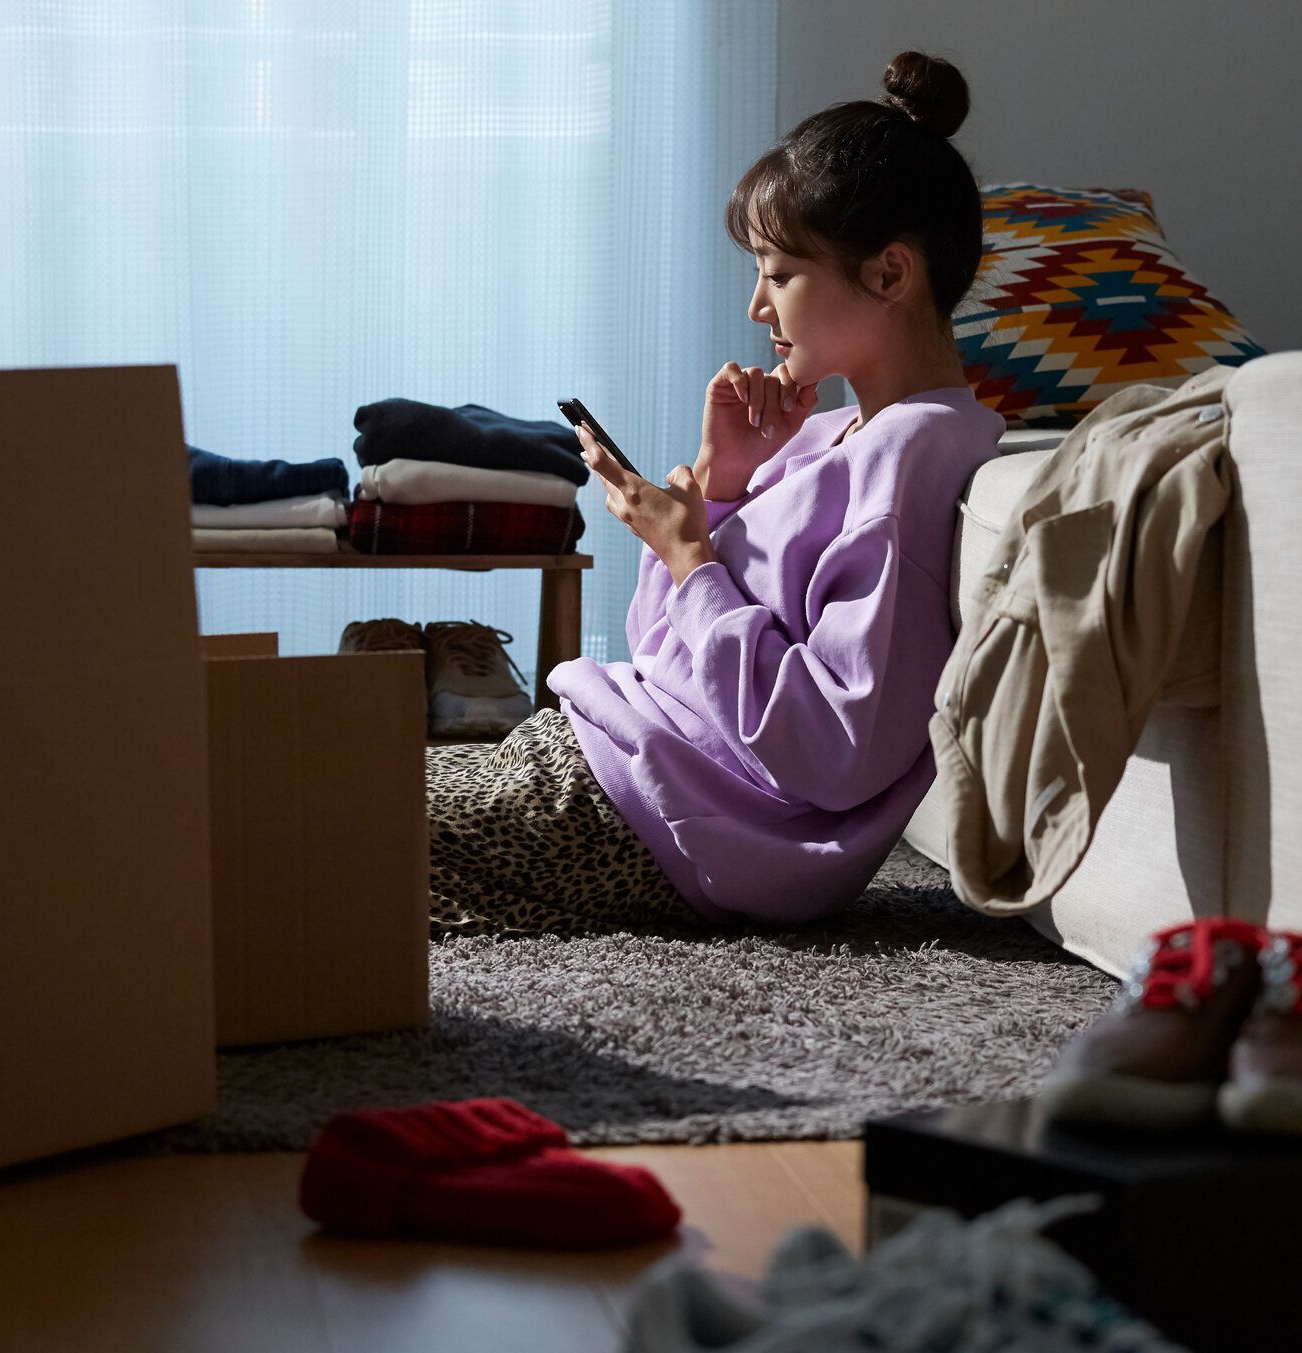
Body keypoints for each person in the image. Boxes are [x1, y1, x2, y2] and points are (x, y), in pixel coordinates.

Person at [426, 51, 1004, 937]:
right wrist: (725, 484)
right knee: (282, 796)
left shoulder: (914, 455)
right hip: (620, 762)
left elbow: (835, 749)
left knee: (275, 833)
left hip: (657, 821)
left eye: (778, 273)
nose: (756, 308)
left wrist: (690, 555)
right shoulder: (826, 436)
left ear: (889, 274)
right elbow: (660, 652)